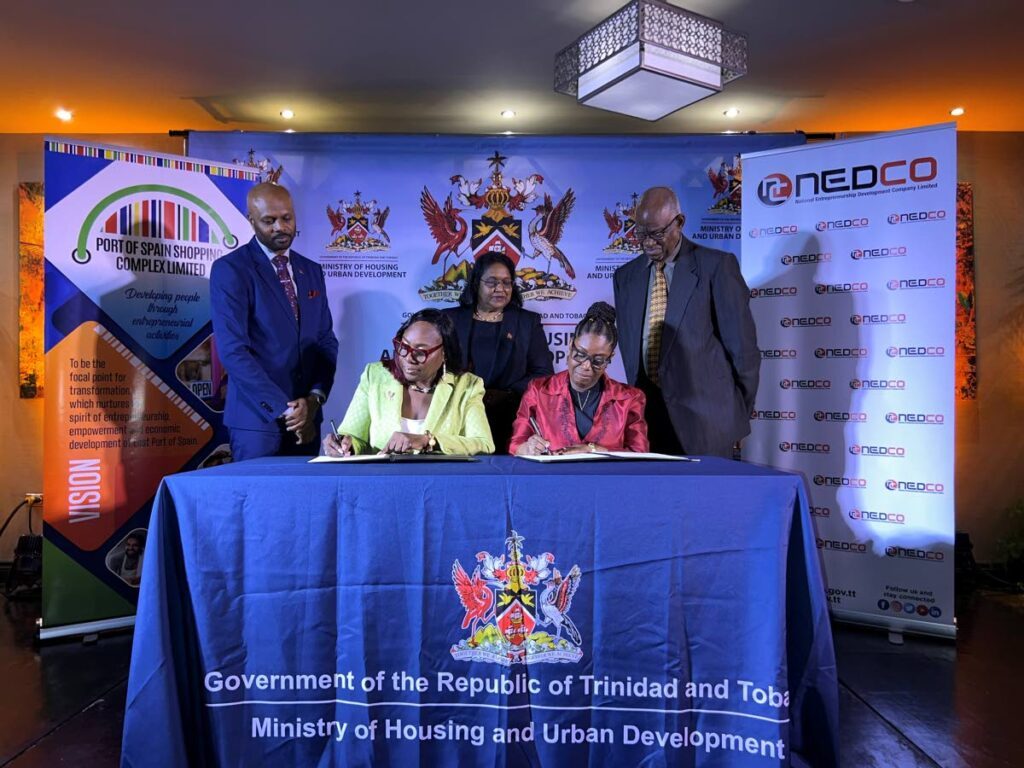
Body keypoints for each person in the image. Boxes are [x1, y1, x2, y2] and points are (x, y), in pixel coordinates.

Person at [613, 186, 759, 458]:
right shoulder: (625, 277)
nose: (647, 242)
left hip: (707, 422)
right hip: (646, 420)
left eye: (656, 232)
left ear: (679, 222)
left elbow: (744, 352)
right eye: (640, 232)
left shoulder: (716, 266)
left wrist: (734, 417)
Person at [210, 183, 338, 461]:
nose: (280, 227)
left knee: (305, 503)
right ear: (251, 220)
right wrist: (288, 409)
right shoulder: (231, 270)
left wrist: (314, 400)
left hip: (308, 420)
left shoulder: (312, 270)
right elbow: (233, 351)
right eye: (269, 221)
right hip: (257, 422)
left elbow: (325, 341)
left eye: (287, 218)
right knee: (258, 504)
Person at [323, 309, 494, 456]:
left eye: (421, 352)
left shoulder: (467, 386)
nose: (408, 358)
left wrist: (428, 441)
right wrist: (345, 444)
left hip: (440, 484)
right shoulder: (375, 376)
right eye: (403, 347)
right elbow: (355, 437)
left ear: (444, 354)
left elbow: (483, 444)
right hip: (383, 483)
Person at [443, 252, 553, 453]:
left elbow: (543, 373)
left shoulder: (527, 322)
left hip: (511, 416)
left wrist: (504, 395)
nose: (500, 289)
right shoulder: (450, 319)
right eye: (492, 282)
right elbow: (438, 368)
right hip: (459, 417)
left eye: (506, 283)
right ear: (476, 283)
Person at [509, 302, 648, 455]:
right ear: (570, 345)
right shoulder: (538, 390)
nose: (587, 365)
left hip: (608, 478)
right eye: (580, 354)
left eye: (598, 360)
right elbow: (516, 445)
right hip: (554, 477)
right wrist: (528, 448)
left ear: (610, 358)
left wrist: (592, 449)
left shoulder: (630, 398)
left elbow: (640, 452)